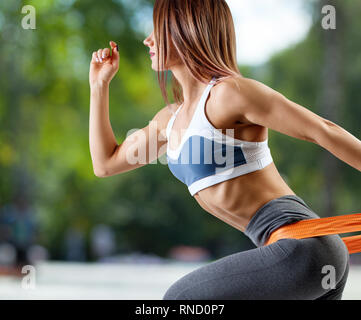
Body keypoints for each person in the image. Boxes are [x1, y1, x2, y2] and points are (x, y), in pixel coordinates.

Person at [89, 0, 361, 299]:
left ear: (188, 31)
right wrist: (99, 87)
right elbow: (106, 164)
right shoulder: (169, 120)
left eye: (159, 29)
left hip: (302, 247)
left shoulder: (229, 94)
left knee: (182, 299)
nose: (148, 39)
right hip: (301, 253)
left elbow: (323, 130)